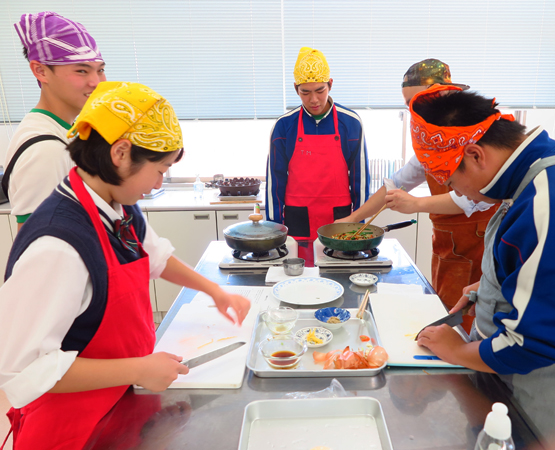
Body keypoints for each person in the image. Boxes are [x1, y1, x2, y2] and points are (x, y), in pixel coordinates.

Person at [0, 81, 251, 449]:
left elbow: (155, 256)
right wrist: (138, 368)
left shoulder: (115, 204)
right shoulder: (57, 245)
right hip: (73, 428)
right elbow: (23, 370)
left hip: (120, 404)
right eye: (160, 169)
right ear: (120, 153)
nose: (157, 183)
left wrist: (214, 290)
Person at [411, 84, 555, 449]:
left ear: (476, 154)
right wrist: (490, 286)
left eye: (453, 181)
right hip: (516, 380)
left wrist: (455, 351)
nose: (459, 194)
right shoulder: (530, 174)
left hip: (553, 394)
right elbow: (541, 270)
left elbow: (538, 343)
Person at [338, 59, 496, 332]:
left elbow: (473, 199)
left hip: (476, 240)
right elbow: (396, 183)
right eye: (408, 104)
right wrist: (354, 218)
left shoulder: (472, 131)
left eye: (416, 101)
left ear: (440, 95)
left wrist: (415, 205)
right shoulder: (432, 136)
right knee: (444, 309)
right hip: (446, 242)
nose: (413, 111)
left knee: (466, 318)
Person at [3, 12, 107, 231]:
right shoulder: (45, 149)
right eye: (81, 70)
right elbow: (36, 248)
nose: (96, 82)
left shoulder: (65, 131)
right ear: (40, 71)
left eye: (100, 70)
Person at [265, 47, 370, 241]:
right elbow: (275, 183)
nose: (314, 100)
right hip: (297, 221)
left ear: (330, 84)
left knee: (335, 270)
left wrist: (359, 228)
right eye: (305, 93)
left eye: (320, 90)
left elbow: (360, 182)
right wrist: (273, 233)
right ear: (296, 88)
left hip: (340, 221)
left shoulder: (351, 123)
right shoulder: (284, 126)